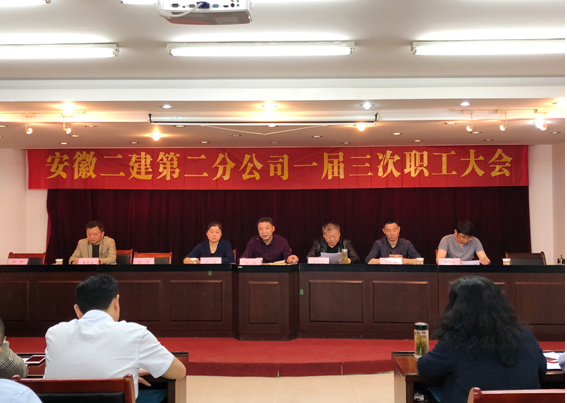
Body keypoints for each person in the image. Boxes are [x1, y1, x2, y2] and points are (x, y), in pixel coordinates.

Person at [44, 274, 186, 403]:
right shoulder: (135, 333)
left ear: (77, 310)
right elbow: (179, 371)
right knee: (160, 392)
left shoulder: (54, 333)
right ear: (116, 302)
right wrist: (131, 373)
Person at [418, 276, 546, 403]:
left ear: (455, 308)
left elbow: (425, 367)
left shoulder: (456, 339)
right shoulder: (525, 335)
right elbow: (542, 368)